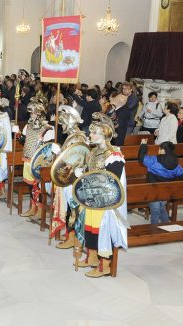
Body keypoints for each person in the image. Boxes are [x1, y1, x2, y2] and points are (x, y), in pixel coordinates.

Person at [77, 113, 128, 278]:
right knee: (90, 229)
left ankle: (104, 265)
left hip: (105, 203)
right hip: (92, 199)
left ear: (105, 135)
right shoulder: (93, 152)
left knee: (101, 231)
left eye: (93, 133)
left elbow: (111, 181)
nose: (89, 135)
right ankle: (92, 257)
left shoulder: (114, 155)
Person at [51, 105, 87, 248]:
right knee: (70, 208)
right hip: (67, 178)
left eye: (64, 123)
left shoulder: (78, 138)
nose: (62, 126)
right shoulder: (72, 136)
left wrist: (59, 153)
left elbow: (77, 160)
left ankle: (73, 238)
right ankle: (69, 236)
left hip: (73, 180)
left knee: (73, 209)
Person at [19, 98, 55, 219]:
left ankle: (40, 209)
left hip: (39, 162)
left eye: (33, 112)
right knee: (31, 186)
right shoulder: (28, 125)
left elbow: (49, 148)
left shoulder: (47, 128)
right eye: (30, 113)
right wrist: (18, 135)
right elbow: (24, 140)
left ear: (39, 113)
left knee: (39, 186)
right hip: (28, 158)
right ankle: (33, 207)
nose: (31, 115)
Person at [139, 139, 183, 224]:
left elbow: (141, 157)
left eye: (159, 148)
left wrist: (143, 145)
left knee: (155, 210)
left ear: (163, 150)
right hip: (166, 191)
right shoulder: (176, 164)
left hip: (153, 190)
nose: (158, 150)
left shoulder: (154, 161)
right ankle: (166, 225)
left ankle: (155, 231)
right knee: (161, 207)